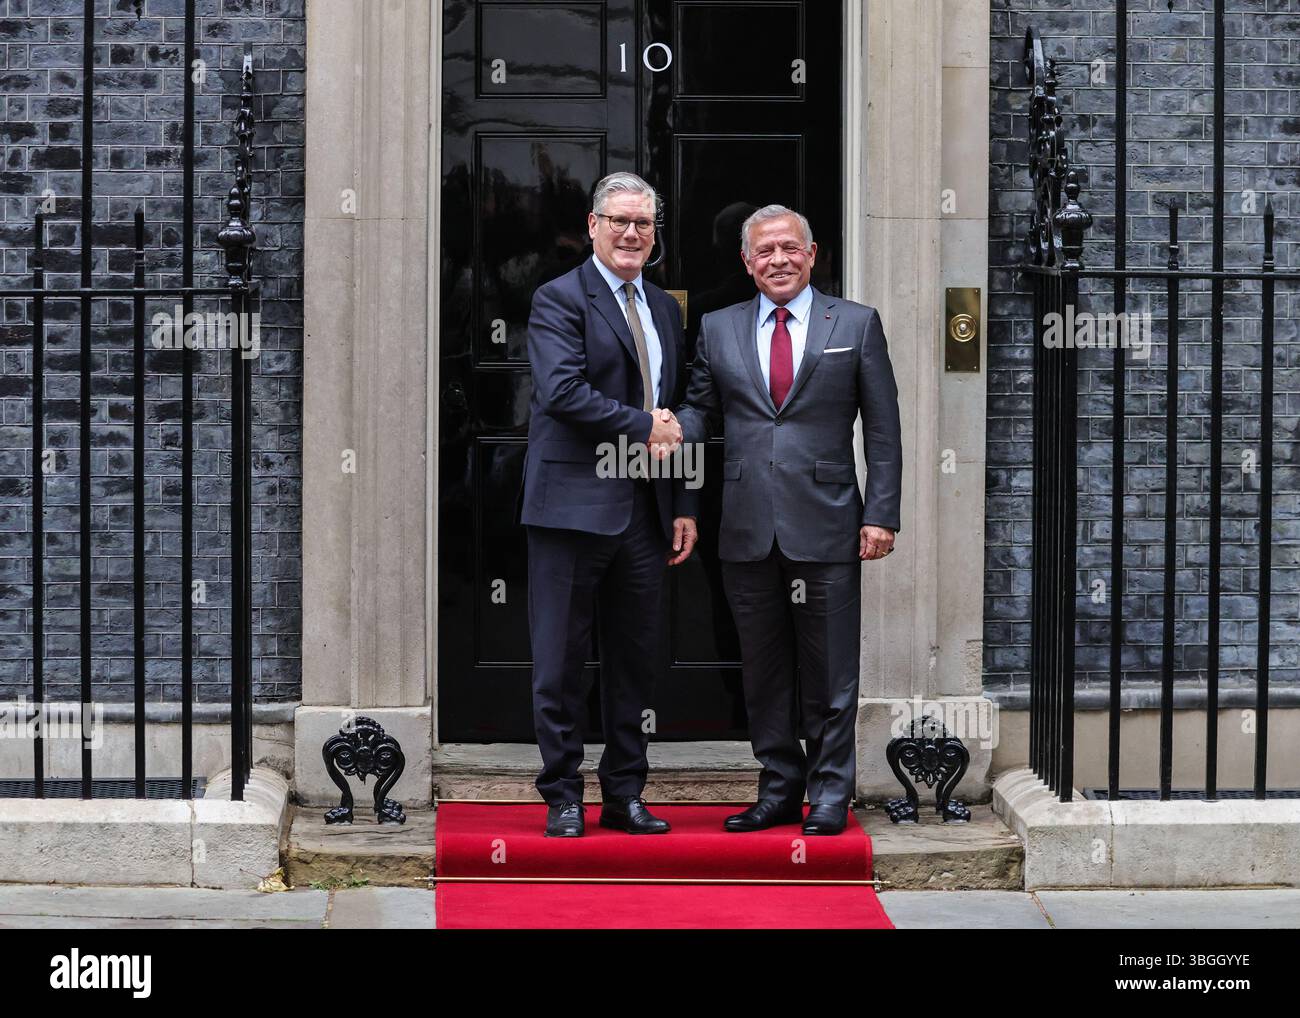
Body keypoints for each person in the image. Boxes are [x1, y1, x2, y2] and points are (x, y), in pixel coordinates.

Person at [674, 204, 902, 835]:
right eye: (764, 251)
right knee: (763, 668)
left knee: (830, 669)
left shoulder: (855, 324)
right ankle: (778, 785)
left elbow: (883, 428)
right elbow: (702, 417)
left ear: (812, 253)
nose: (778, 260)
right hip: (744, 525)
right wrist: (660, 429)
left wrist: (881, 513)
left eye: (789, 248)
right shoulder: (718, 328)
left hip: (829, 522)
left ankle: (831, 791)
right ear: (747, 263)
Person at [520, 171, 698, 837]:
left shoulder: (666, 310)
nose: (631, 233)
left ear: (654, 235)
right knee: (560, 664)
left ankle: (625, 794)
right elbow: (562, 392)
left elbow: (674, 408)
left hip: (646, 516)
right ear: (593, 226)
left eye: (643, 224)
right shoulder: (559, 299)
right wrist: (643, 426)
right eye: (619, 220)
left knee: (634, 663)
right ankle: (562, 793)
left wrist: (682, 501)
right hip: (570, 509)